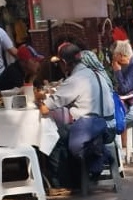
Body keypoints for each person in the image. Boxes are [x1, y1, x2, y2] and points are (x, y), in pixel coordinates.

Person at [40, 43, 117, 191]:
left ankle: (62, 183)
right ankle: (80, 174)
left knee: (54, 135)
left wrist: (39, 100)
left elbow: (45, 108)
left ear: (64, 63)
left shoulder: (75, 80)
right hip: (110, 127)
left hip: (93, 130)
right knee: (66, 130)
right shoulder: (96, 73)